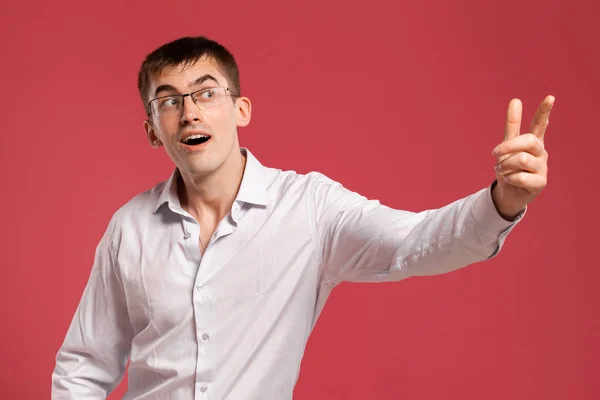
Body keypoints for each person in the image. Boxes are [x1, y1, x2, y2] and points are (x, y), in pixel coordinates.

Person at [51, 36, 555, 399]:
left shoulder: (309, 208)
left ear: (241, 109)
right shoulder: (128, 229)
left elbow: (415, 242)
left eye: (207, 93)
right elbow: (85, 364)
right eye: (169, 101)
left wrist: (502, 199)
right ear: (152, 131)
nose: (190, 113)